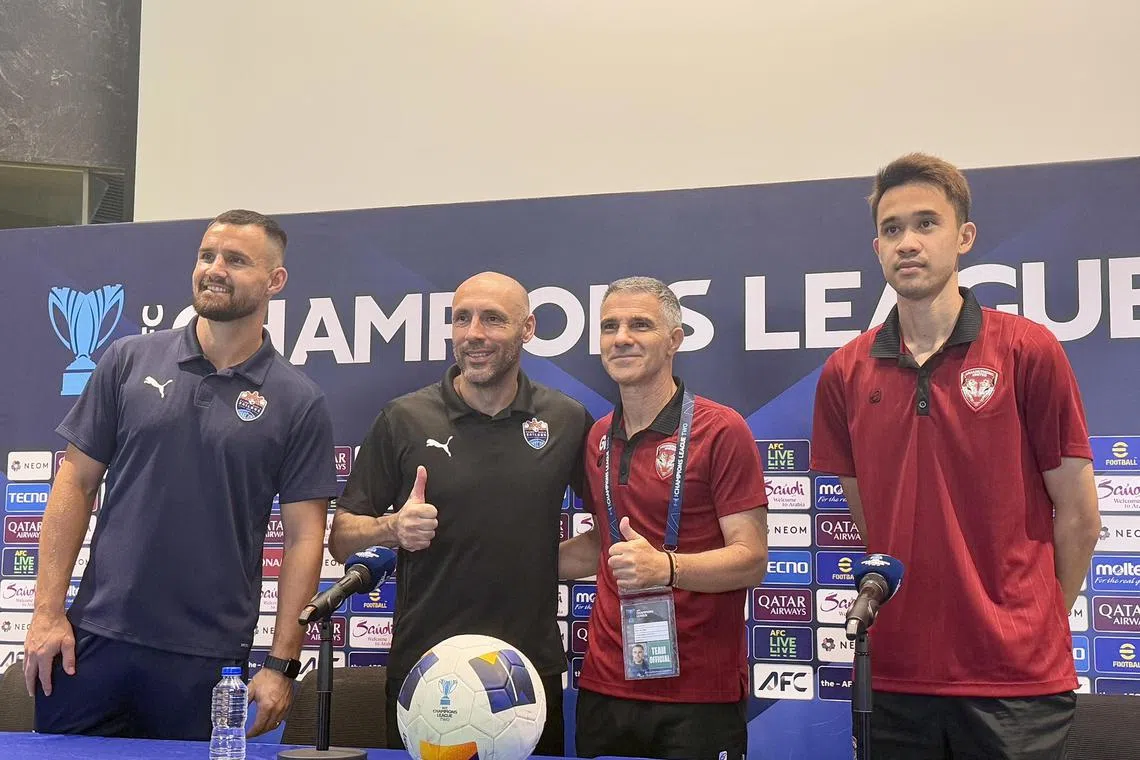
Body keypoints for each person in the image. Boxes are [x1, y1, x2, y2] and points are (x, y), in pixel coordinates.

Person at [811, 153, 1101, 759]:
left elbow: (1078, 515)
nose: (908, 243)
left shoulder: (1027, 349)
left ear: (964, 237)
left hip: (1016, 683)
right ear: (876, 246)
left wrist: (1034, 623)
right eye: (892, 229)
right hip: (895, 674)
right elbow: (874, 521)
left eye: (926, 224)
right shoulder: (845, 370)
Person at [23, 209, 338, 740]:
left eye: (236, 260)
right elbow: (73, 484)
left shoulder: (299, 401)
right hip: (93, 644)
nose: (215, 268)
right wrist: (47, 613)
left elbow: (307, 537)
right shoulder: (126, 359)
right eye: (207, 255)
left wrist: (282, 664)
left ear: (275, 281)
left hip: (210, 662)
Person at [329, 271, 593, 755]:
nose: (475, 333)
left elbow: (611, 534)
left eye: (493, 319)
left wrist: (530, 560)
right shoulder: (404, 418)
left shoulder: (566, 419)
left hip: (524, 676)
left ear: (528, 330)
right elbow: (342, 536)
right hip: (428, 675)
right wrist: (392, 528)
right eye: (462, 319)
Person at [558, 276, 769, 760]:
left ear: (675, 339)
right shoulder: (598, 438)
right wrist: (512, 559)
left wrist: (668, 568)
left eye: (640, 325)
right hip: (605, 686)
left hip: (698, 696)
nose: (621, 337)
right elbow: (604, 547)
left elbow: (751, 559)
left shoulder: (721, 430)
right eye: (609, 326)